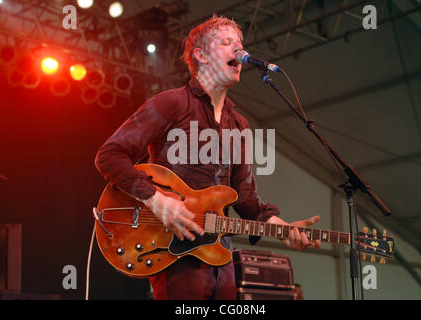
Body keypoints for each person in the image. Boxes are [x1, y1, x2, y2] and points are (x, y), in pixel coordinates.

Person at [95, 15, 321, 300]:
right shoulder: (172, 103)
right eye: (226, 42)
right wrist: (157, 200)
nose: (238, 51)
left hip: (219, 255)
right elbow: (110, 155)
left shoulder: (239, 124)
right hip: (172, 248)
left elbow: (247, 200)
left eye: (239, 44)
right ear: (200, 55)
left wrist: (284, 229)